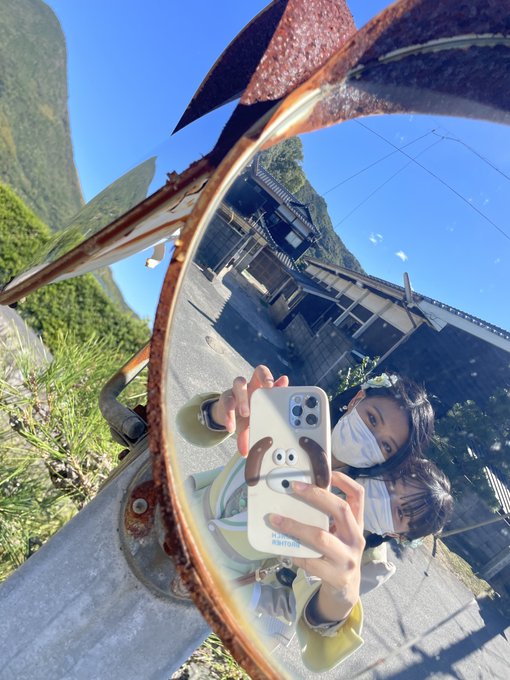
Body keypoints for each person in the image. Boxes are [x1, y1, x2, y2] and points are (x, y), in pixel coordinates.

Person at [176, 365, 452, 672]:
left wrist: (339, 598)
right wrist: (221, 412)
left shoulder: (339, 517)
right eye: (372, 419)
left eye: (386, 446)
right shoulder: (295, 415)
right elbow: (189, 425)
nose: (369, 439)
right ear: (357, 399)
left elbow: (313, 604)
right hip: (172, 505)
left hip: (198, 584)